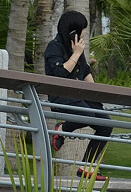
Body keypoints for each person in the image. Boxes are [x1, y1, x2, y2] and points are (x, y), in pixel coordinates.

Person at [45, 10, 113, 180]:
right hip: (61, 95)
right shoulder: (54, 47)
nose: (84, 33)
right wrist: (75, 54)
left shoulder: (78, 50)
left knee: (105, 124)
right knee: (86, 114)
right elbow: (60, 75)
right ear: (72, 31)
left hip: (80, 96)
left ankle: (87, 168)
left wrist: (98, 93)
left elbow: (85, 74)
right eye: (82, 29)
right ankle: (61, 129)